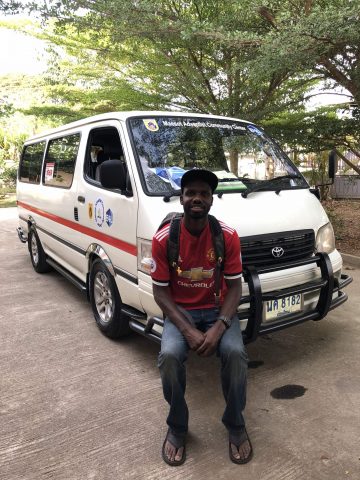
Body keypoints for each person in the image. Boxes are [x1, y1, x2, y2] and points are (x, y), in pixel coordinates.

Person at [151, 169, 252, 466]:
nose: (197, 198)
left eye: (204, 193)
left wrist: (220, 327)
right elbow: (160, 294)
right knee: (169, 356)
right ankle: (177, 427)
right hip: (180, 312)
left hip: (218, 310)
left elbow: (235, 287)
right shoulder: (163, 239)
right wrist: (189, 331)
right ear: (181, 198)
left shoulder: (227, 236)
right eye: (191, 192)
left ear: (211, 200)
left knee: (235, 354)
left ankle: (235, 424)